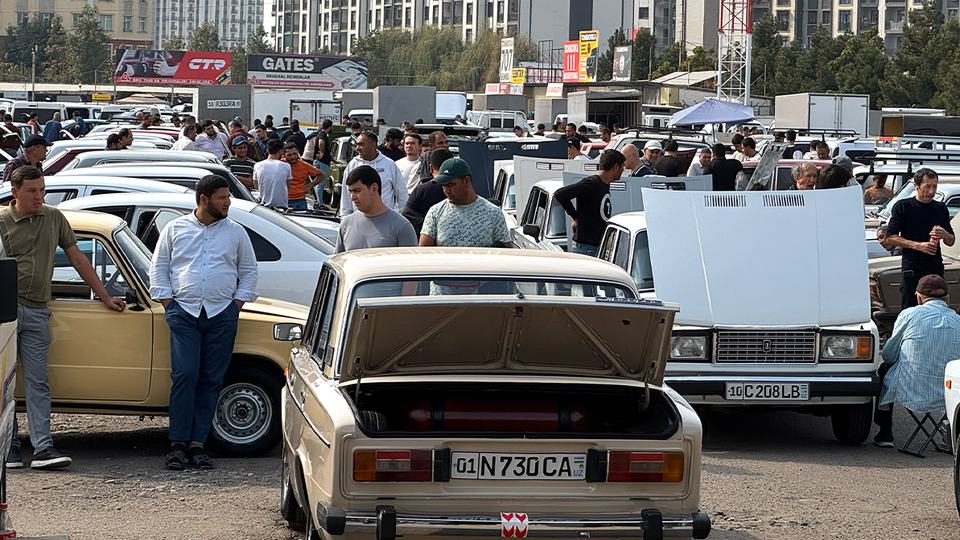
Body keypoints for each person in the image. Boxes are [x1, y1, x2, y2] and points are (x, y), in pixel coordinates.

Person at [1, 166, 125, 470]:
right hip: (5, 312)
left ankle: (43, 448)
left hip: (38, 309)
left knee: (37, 382)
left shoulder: (54, 217)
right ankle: (9, 449)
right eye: (32, 191)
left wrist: (105, 296)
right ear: (15, 193)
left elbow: (78, 258)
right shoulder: (2, 220)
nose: (39, 197)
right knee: (4, 383)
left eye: (42, 190)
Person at [149, 175, 258, 471]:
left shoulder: (236, 232)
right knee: (185, 375)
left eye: (228, 197)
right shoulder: (175, 229)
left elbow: (248, 271)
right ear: (204, 200)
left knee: (211, 380)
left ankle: (198, 445)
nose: (228, 202)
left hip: (221, 315)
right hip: (183, 313)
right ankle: (177, 444)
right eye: (222, 197)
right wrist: (169, 305)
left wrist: (235, 306)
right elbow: (158, 269)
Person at [873, 274, 960, 448]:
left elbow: (889, 355)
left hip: (911, 387)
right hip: (947, 392)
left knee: (884, 368)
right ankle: (948, 432)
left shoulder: (909, 315)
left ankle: (885, 432)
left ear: (919, 299)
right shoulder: (958, 320)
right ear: (947, 300)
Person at [884, 168, 956, 310]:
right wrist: (917, 245)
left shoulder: (940, 208)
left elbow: (951, 240)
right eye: (927, 186)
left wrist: (944, 234)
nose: (931, 191)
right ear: (917, 186)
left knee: (937, 308)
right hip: (912, 267)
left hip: (935, 267)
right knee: (911, 308)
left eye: (934, 186)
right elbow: (890, 237)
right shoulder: (904, 206)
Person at [419, 158, 513, 248]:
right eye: (443, 186)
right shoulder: (435, 212)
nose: (446, 190)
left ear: (467, 181)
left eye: (451, 185)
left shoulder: (493, 213)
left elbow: (506, 253)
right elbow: (424, 253)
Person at [553, 150, 626, 257]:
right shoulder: (591, 184)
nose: (623, 170)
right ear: (615, 167)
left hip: (596, 246)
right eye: (622, 166)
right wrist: (575, 217)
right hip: (586, 248)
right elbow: (560, 194)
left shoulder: (604, 184)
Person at [336, 166, 418, 253]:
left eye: (357, 191)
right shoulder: (346, 224)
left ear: (374, 188)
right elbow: (337, 262)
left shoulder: (401, 226)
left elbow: (410, 264)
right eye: (350, 192)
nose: (352, 197)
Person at [341, 132, 407, 216]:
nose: (357, 148)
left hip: (385, 220)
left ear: (373, 145)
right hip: (360, 221)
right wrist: (344, 219)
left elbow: (401, 194)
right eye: (356, 145)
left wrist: (399, 217)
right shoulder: (352, 165)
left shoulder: (389, 164)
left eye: (361, 144)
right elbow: (345, 196)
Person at [403, 149, 453, 234]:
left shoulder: (421, 190)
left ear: (430, 168)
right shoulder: (461, 188)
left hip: (425, 240)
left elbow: (406, 217)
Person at [282, 142, 323, 210]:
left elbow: (321, 175)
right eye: (289, 155)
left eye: (294, 154)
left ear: (298, 152)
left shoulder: (304, 165)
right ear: (284, 155)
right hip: (284, 200)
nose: (293, 157)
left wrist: (309, 186)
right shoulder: (280, 164)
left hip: (300, 200)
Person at [253, 139, 292, 209]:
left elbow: (256, 186)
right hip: (281, 206)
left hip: (264, 205)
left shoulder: (257, 165)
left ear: (267, 150)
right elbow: (288, 186)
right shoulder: (286, 166)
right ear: (280, 151)